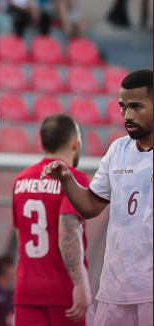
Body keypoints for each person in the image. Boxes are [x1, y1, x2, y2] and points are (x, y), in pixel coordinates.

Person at [42, 69, 153, 326]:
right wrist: (67, 179)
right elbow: (91, 206)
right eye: (123, 107)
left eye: (137, 106)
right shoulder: (117, 149)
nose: (128, 115)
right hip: (114, 290)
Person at [13, 114, 94, 326]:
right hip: (63, 291)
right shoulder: (74, 178)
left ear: (42, 142)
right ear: (75, 144)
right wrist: (78, 284)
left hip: (26, 290)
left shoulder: (21, 180)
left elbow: (20, 236)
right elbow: (66, 231)